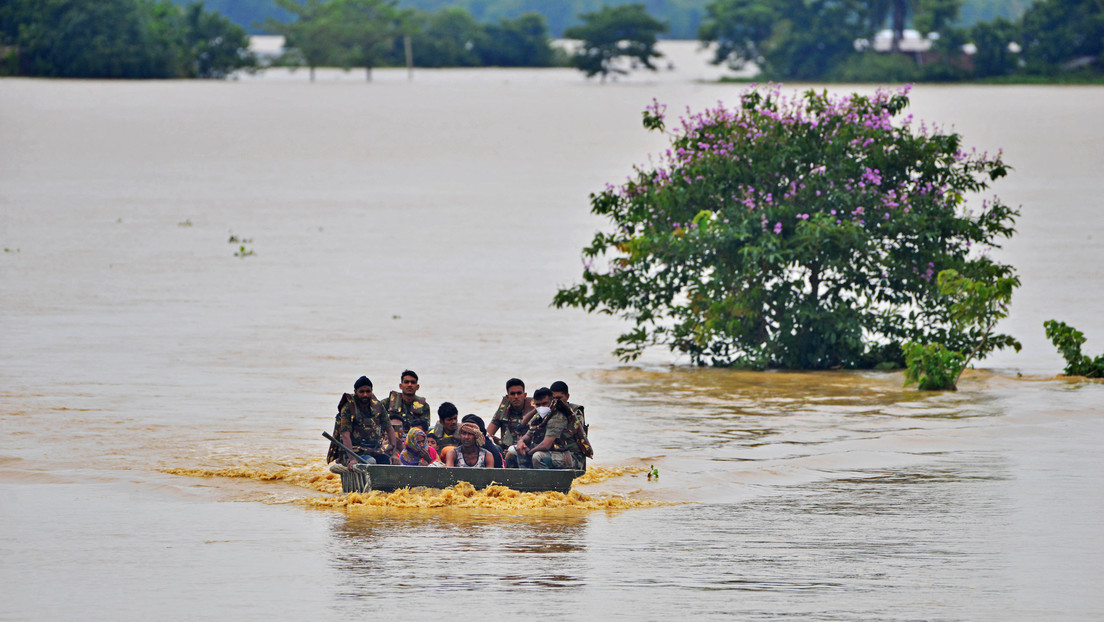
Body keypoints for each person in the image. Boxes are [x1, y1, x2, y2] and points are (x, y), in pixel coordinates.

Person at [328, 376, 398, 467]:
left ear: (372, 391)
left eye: (368, 391)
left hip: (373, 450)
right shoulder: (348, 408)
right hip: (352, 452)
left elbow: (389, 429)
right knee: (371, 463)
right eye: (361, 392)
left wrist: (393, 454)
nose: (365, 395)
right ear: (355, 392)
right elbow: (345, 435)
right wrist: (352, 459)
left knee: (388, 462)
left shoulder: (378, 406)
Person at [509, 387, 553, 468]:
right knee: (513, 450)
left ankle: (542, 480)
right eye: (538, 405)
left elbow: (546, 445)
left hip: (557, 452)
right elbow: (524, 427)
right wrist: (521, 442)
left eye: (544, 404)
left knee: (537, 456)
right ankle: (522, 479)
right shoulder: (539, 416)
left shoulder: (557, 416)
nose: (541, 407)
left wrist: (529, 452)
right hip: (540, 450)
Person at [550, 380, 590, 470]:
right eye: (553, 399)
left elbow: (566, 434)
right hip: (554, 453)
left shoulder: (576, 412)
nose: (556, 402)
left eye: (559, 398)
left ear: (567, 397)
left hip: (573, 456)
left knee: (539, 457)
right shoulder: (549, 411)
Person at [486, 378, 535, 451]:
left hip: (528, 448)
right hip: (506, 448)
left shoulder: (534, 408)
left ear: (524, 395)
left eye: (519, 393)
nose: (516, 397)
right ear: (508, 397)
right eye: (512, 394)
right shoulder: (503, 409)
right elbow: (488, 434)